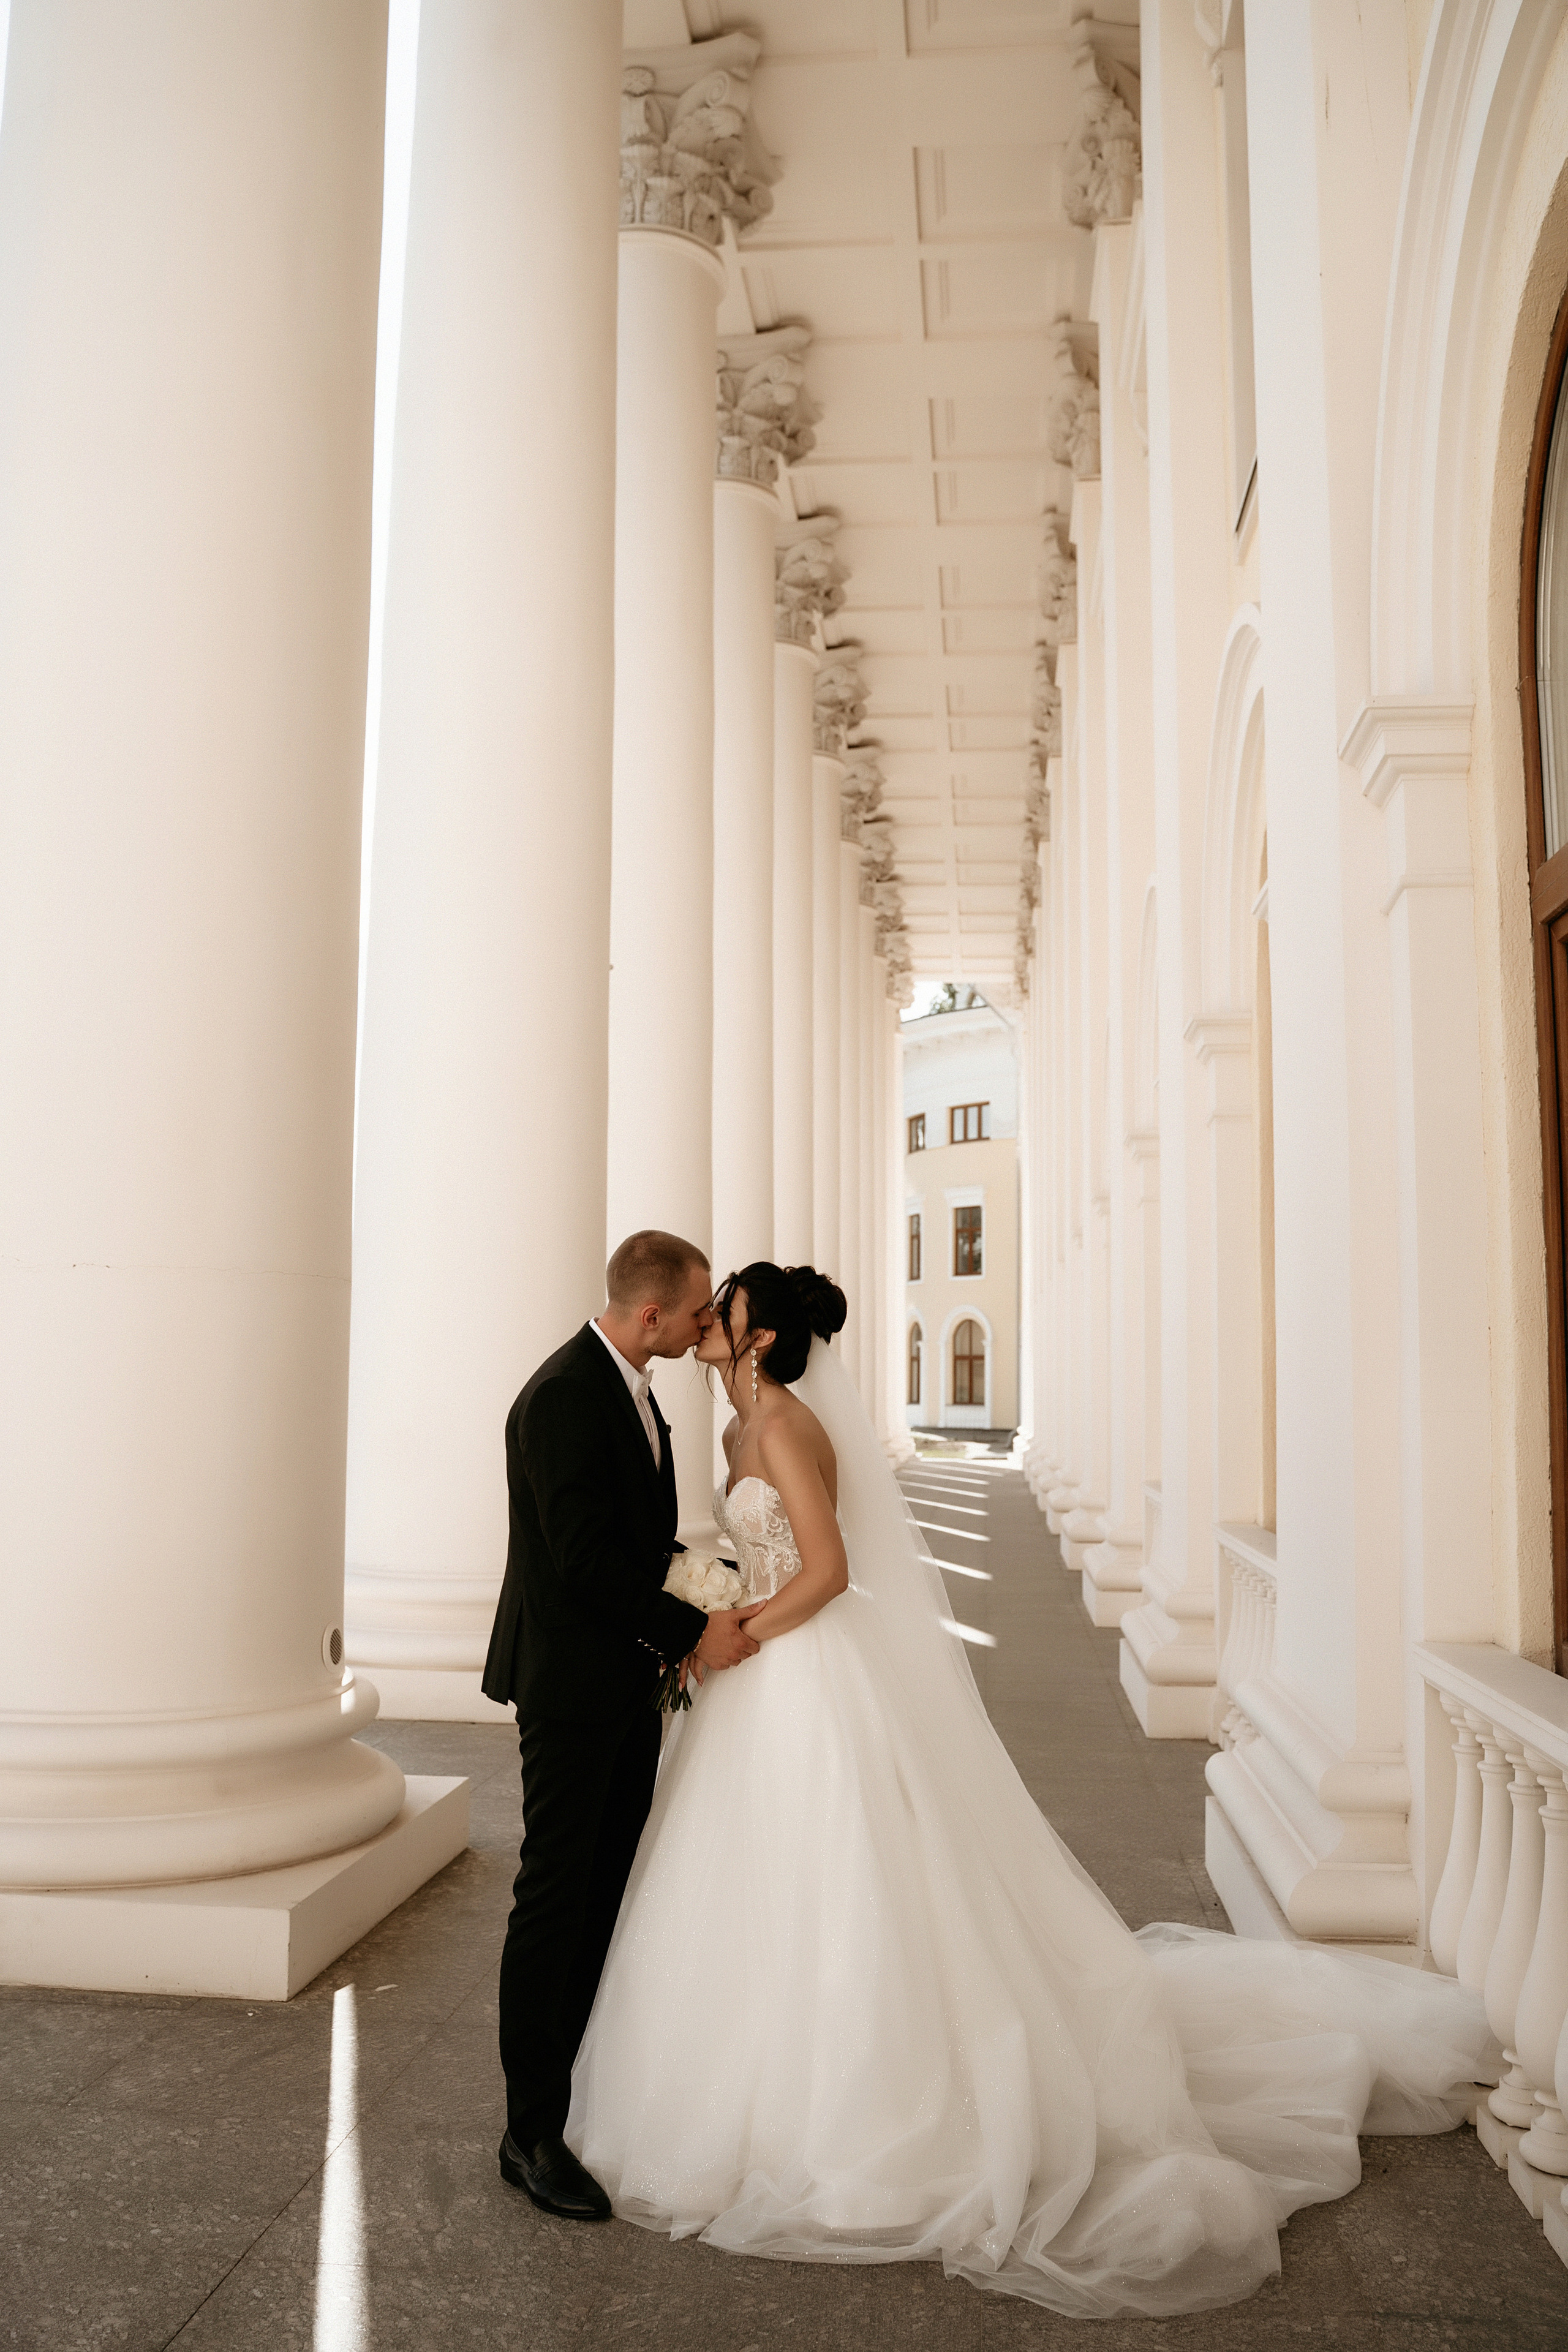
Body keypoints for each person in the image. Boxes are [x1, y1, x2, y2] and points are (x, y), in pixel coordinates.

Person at [564, 1261, 1499, 2319]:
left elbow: (825, 1573)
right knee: (750, 1887)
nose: (709, 1323)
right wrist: (716, 1605)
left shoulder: (778, 1427)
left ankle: (860, 2111)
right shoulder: (736, 1430)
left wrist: (737, 1632)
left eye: (722, 1311)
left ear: (760, 1339)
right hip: (757, 1677)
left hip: (800, 1671)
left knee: (842, 1874)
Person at [480, 1229, 760, 2223]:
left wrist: (709, 1599)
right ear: (652, 1316)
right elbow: (585, 1561)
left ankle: (574, 2096)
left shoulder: (637, 1392)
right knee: (555, 1897)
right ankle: (528, 2135)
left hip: (625, 1683)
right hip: (569, 1689)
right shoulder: (562, 1397)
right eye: (692, 1314)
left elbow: (638, 1543)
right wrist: (695, 1628)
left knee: (605, 1889)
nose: (700, 1327)